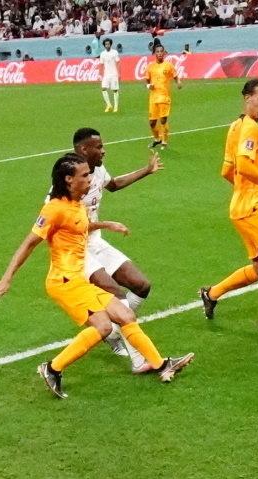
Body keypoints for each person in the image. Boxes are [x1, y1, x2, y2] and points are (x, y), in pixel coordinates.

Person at [0, 153, 194, 399]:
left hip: (78, 279)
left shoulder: (78, 205)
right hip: (65, 282)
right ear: (68, 179)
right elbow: (29, 243)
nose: (89, 179)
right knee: (104, 326)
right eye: (84, 175)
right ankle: (52, 369)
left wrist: (107, 225)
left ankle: (161, 365)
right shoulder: (54, 209)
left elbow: (79, 227)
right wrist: (6, 278)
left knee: (125, 315)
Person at [56, 127, 164, 373]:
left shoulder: (97, 170)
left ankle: (112, 331)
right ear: (84, 149)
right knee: (118, 297)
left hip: (95, 241)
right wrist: (106, 223)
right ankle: (139, 360)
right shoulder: (67, 182)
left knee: (141, 285)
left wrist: (146, 171)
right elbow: (62, 223)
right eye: (99, 147)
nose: (104, 151)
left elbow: (113, 185)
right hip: (76, 250)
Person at [199, 78, 258, 334]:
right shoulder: (251, 128)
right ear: (247, 98)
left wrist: (243, 189)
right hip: (254, 207)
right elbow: (243, 166)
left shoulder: (235, 126)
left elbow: (226, 171)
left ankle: (212, 293)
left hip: (240, 206)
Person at [146, 44, 182, 150]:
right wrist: (149, 86)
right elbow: (147, 81)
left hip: (164, 97)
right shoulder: (150, 66)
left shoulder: (168, 65)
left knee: (163, 120)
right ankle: (157, 139)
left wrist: (179, 82)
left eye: (161, 51)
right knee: (152, 122)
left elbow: (175, 76)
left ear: (164, 53)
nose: (160, 53)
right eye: (157, 51)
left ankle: (164, 141)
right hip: (153, 98)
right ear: (154, 53)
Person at [99, 38, 120, 112]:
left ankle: (116, 107)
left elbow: (118, 63)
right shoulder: (102, 54)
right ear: (104, 45)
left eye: (108, 44)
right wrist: (100, 74)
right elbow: (101, 64)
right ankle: (109, 105)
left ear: (110, 44)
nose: (107, 45)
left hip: (114, 74)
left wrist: (119, 73)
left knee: (115, 90)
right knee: (103, 89)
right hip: (106, 74)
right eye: (106, 44)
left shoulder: (115, 52)